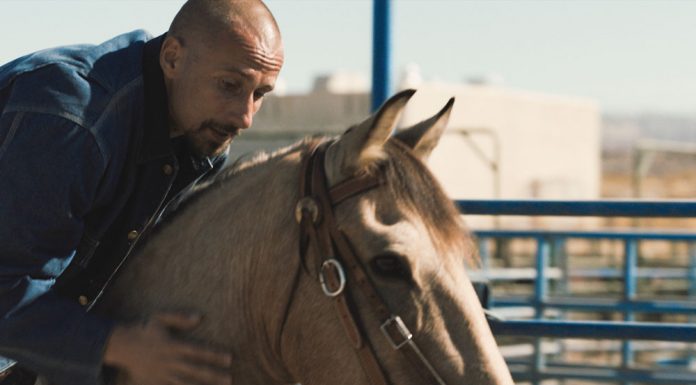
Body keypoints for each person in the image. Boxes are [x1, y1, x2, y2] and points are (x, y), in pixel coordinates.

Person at [0, 0, 284, 384]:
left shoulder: (204, 137)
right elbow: (6, 289)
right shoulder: (74, 118)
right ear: (172, 58)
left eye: (260, 93)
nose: (244, 116)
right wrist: (121, 347)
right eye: (230, 85)